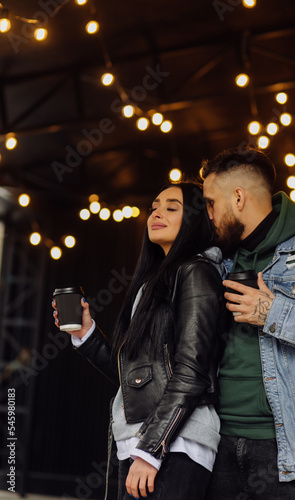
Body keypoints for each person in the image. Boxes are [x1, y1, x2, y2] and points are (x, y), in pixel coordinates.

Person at [53, 182, 226, 500]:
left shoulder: (196, 272)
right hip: (140, 442)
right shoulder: (152, 283)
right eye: (155, 206)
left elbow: (193, 371)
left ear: (195, 220)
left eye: (172, 207)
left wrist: (152, 449)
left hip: (174, 445)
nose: (157, 212)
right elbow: (138, 379)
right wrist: (86, 336)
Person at [202, 146, 295, 500]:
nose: (208, 214)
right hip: (216, 444)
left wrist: (274, 313)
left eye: (211, 202)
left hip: (293, 449)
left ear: (238, 197)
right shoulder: (216, 260)